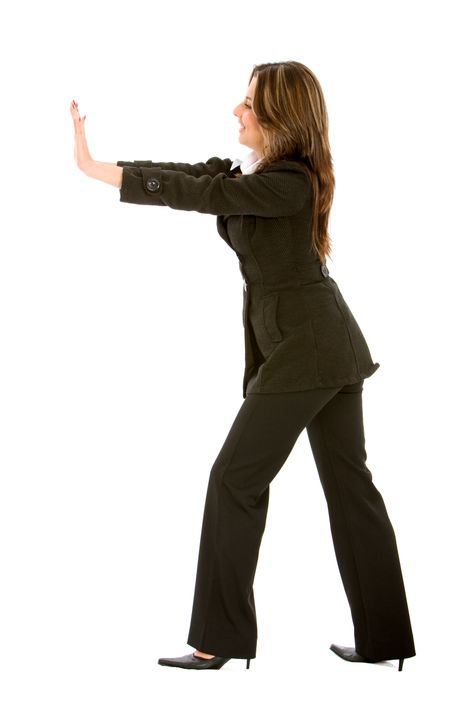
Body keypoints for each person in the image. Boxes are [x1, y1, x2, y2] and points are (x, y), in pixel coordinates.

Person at [70, 60, 416, 672]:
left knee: (236, 480)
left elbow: (206, 195)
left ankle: (219, 641)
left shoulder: (290, 183)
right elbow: (194, 177)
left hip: (307, 350)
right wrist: (102, 166)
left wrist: (102, 172)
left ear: (280, 116)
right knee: (349, 488)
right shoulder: (267, 179)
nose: (237, 109)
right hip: (318, 346)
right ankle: (385, 641)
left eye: (250, 103)